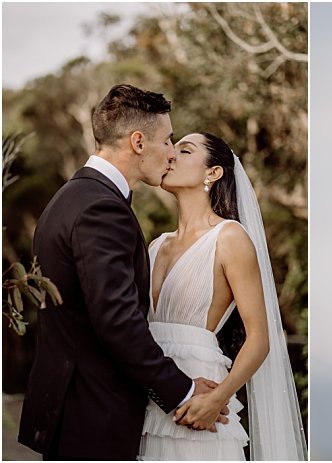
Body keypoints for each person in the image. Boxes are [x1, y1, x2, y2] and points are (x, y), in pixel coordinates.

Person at [18, 84, 224, 460]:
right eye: (167, 140)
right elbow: (117, 321)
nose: (171, 152)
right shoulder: (102, 209)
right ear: (138, 142)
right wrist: (183, 391)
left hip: (73, 412)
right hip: (93, 417)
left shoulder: (69, 198)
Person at [138, 132, 307, 460]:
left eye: (185, 150)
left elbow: (260, 337)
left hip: (204, 397)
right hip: (152, 398)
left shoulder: (229, 237)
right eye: (172, 148)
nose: (171, 155)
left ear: (213, 173)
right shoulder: (155, 246)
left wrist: (218, 399)